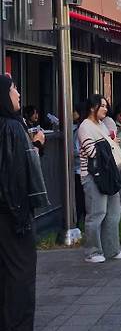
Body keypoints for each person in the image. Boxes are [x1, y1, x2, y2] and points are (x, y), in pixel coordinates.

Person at [0, 75, 49, 331]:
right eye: (13, 89)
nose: (18, 93)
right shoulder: (12, 127)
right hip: (13, 212)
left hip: (7, 211)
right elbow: (14, 173)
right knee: (20, 273)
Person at [77, 94, 121, 263]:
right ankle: (93, 252)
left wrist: (109, 141)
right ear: (93, 108)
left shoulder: (102, 125)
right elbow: (92, 152)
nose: (106, 109)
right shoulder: (85, 126)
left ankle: (112, 249)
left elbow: (102, 148)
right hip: (93, 175)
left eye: (106, 106)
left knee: (114, 212)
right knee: (96, 213)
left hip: (109, 173)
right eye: (103, 106)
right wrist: (110, 142)